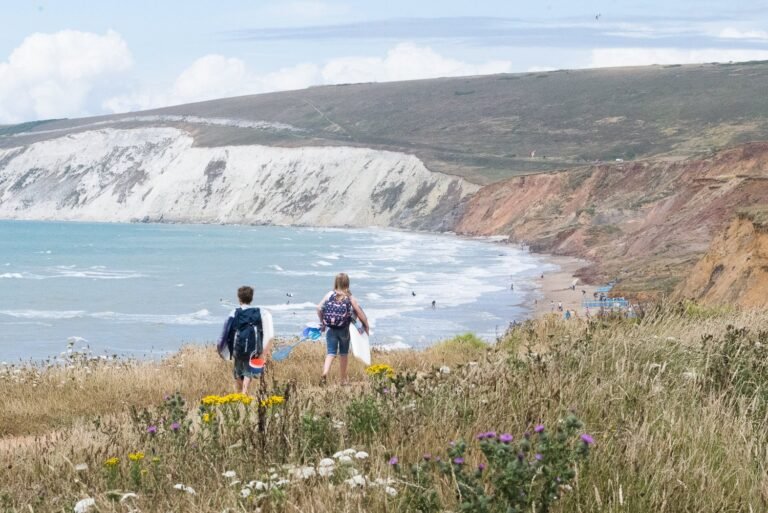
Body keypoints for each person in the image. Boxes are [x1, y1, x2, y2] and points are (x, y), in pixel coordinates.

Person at [317, 273, 369, 385]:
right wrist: (365, 325)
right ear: (347, 283)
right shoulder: (349, 297)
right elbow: (359, 312)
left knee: (330, 353)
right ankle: (343, 380)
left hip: (331, 329)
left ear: (335, 282)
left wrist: (323, 322)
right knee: (343, 354)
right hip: (344, 330)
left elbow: (318, 308)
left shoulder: (329, 294)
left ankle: (325, 372)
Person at [221, 286, 272, 395]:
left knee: (238, 372)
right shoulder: (259, 312)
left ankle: (242, 393)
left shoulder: (234, 312)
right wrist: (263, 352)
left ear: (239, 298)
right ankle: (244, 392)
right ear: (251, 298)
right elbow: (267, 333)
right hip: (254, 349)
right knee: (248, 371)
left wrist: (224, 350)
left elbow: (226, 332)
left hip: (238, 348)